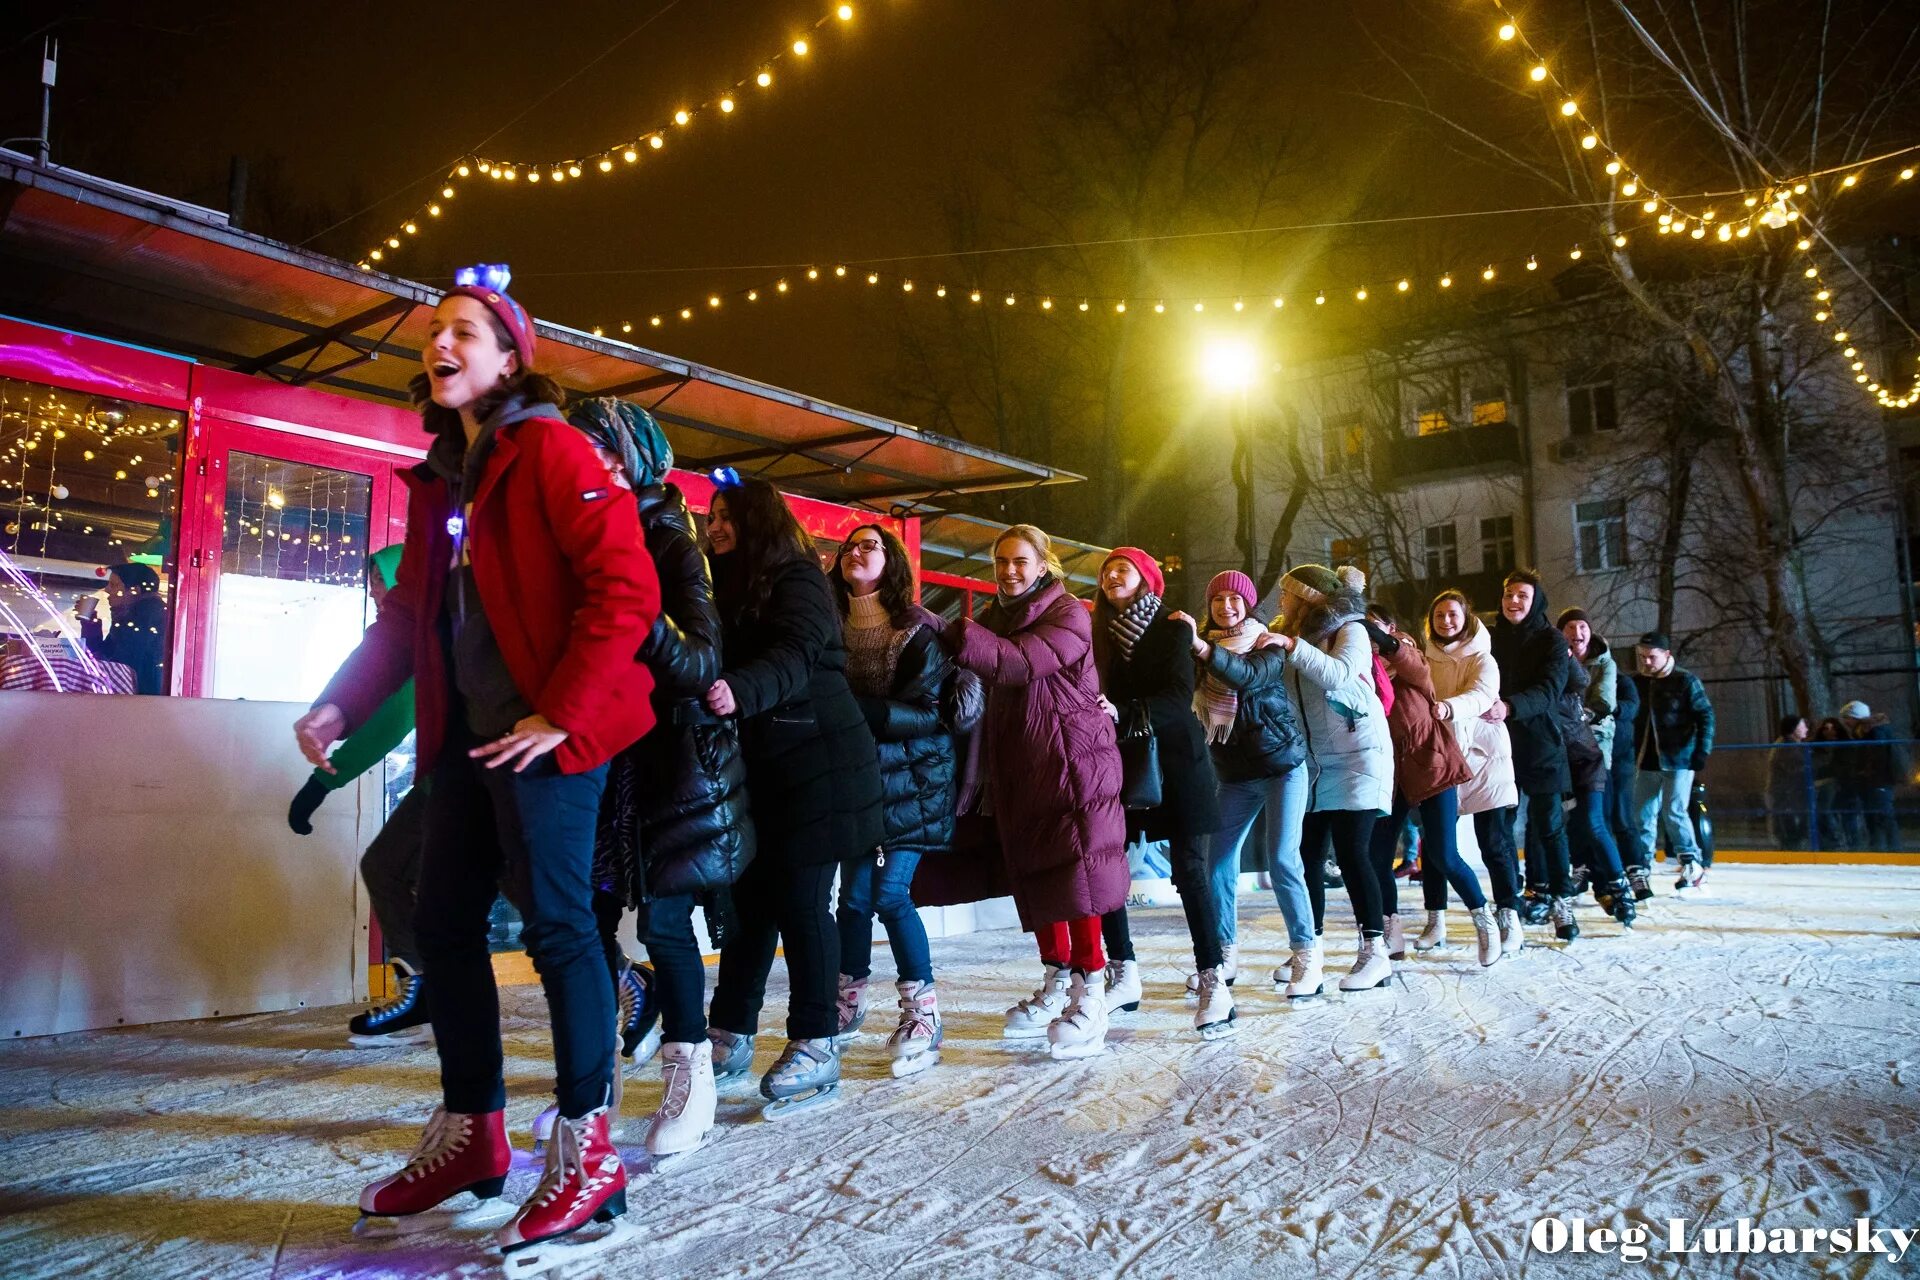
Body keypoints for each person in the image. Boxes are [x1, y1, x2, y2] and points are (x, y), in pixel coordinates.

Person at [296, 265, 660, 1265]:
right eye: (431, 332)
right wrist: (343, 700)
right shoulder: (442, 479)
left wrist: (562, 707)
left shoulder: (548, 447)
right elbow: (410, 618)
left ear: (509, 359)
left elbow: (627, 587)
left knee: (559, 927)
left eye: (463, 330)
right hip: (468, 737)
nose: (439, 343)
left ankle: (591, 1154)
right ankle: (476, 1133)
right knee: (444, 917)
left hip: (548, 733)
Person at [569, 398, 752, 1157]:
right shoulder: (579, 532)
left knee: (667, 924)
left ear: (633, 458)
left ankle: (691, 1070)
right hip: (599, 760)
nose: (587, 464)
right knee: (576, 916)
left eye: (600, 451)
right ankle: (591, 1074)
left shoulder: (672, 542)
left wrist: (629, 604)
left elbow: (701, 658)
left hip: (672, 763)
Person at [702, 476, 884, 1117]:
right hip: (768, 769)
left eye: (728, 517)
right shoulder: (726, 583)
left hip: (823, 764)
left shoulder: (798, 578)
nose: (716, 526)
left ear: (759, 522)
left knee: (805, 902)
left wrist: (738, 690)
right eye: (713, 515)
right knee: (751, 903)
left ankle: (817, 1040)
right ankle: (730, 1031)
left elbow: (798, 652)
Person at [916, 524, 1128, 1060]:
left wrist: (943, 627)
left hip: (1070, 763)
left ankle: (1092, 993)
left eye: (1020, 562)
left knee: (1075, 873)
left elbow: (1018, 663)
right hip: (1019, 765)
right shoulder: (994, 618)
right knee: (1034, 875)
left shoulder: (1070, 613)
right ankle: (1059, 980)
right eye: (1001, 562)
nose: (1009, 571)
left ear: (1043, 566)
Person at [831, 521, 973, 1077]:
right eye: (849, 545)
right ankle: (848, 999)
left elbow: (934, 714)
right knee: (852, 898)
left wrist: (860, 716)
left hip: (913, 782)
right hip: (855, 781)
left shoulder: (916, 632)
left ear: (891, 561)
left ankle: (923, 1012)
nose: (856, 552)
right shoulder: (827, 626)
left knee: (888, 894)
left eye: (871, 544)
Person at [286, 546, 431, 1047]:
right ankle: (424, 986)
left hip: (484, 784)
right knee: (388, 868)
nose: (374, 594)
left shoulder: (433, 628)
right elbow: (367, 676)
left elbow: (394, 719)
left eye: (380, 583)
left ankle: (625, 978)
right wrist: (331, 712)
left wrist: (321, 783)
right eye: (370, 584)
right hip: (443, 782)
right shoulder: (398, 636)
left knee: (537, 903)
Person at [1091, 548, 1231, 1038]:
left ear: (1147, 579)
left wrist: (1123, 711)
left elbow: (1176, 696)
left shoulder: (1172, 628)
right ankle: (1123, 971)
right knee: (1106, 866)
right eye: (1106, 571)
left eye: (1122, 569)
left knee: (1191, 872)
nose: (1111, 576)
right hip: (1124, 764)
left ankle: (1214, 979)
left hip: (1176, 762)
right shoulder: (1097, 636)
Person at [1170, 571, 1317, 999]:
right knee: (1216, 865)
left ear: (1249, 604)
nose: (1227, 606)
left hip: (1282, 767)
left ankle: (1307, 955)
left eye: (1236, 598)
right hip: (1234, 775)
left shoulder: (1266, 642)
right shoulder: (1198, 650)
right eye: (1219, 600)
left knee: (1282, 861)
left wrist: (1200, 646)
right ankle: (1224, 952)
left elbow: (1247, 677)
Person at [1265, 564, 1395, 992]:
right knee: (1307, 856)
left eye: (1287, 593)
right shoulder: (1287, 634)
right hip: (1314, 763)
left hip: (1360, 755)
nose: (1281, 600)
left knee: (1353, 852)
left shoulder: (1351, 629)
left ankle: (1375, 952)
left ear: (1306, 597)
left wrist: (1292, 646)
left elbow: (1338, 674)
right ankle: (1310, 949)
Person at [1364, 605, 1499, 966]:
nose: (1367, 633)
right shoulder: (1359, 667)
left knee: (1443, 854)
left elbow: (1414, 666)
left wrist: (1383, 639)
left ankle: (1484, 920)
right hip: (1390, 776)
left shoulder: (1407, 654)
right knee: (1377, 857)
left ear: (1390, 627)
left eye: (1374, 626)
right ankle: (1390, 929)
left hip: (1430, 764)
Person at [1423, 591, 1524, 958]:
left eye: (1452, 614)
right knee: (1436, 846)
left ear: (1466, 617)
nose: (1446, 621)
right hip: (1442, 759)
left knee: (1494, 842)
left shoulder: (1483, 657)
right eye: (1438, 615)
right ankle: (1436, 918)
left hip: (1485, 759)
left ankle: (1509, 915)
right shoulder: (1425, 659)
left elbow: (1482, 696)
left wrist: (1447, 708)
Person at [1488, 570, 1579, 943]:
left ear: (1535, 600)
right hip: (1498, 745)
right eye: (1509, 594)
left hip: (1541, 744)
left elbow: (1550, 689)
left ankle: (1561, 900)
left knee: (1549, 826)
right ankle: (1509, 902)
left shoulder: (1551, 641)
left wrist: (1511, 706)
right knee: (1500, 828)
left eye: (1522, 595)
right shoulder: (1489, 638)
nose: (1513, 601)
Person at [1559, 609, 1634, 927]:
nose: (1577, 633)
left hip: (1594, 754)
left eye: (1583, 627)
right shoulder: (1554, 664)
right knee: (1571, 822)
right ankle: (1581, 874)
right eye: (1570, 628)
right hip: (1562, 757)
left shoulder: (1603, 663)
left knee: (1595, 820)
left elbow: (1604, 701)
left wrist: (1580, 718)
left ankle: (1617, 884)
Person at [1628, 631, 1715, 891]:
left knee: (1674, 811)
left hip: (1679, 758)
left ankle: (1692, 864)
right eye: (1642, 657)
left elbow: (1706, 716)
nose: (1646, 662)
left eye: (1651, 657)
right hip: (1645, 761)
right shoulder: (1638, 683)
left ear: (1666, 655)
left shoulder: (1685, 681)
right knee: (1642, 815)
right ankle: (1642, 866)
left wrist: (1702, 751)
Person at [77, 561, 167, 694]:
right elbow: (106, 655)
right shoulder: (129, 616)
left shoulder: (144, 619)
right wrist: (91, 624)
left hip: (141, 702)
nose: (107, 590)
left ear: (134, 591)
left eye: (113, 585)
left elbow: (113, 665)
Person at [1836, 700, 1904, 851]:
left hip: (1878, 782)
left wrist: (1865, 772)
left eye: (1847, 718)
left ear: (1855, 718)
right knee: (1874, 817)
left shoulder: (1874, 732)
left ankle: (1894, 851)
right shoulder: (1864, 732)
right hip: (1871, 782)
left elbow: (1878, 757)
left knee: (1883, 816)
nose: (1845, 722)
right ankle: (1878, 849)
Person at [1607, 647, 1646, 897]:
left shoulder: (1623, 682)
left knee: (1622, 816)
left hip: (1620, 758)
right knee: (1593, 819)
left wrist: (1605, 706)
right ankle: (1594, 869)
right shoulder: (1575, 677)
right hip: (1589, 759)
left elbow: (1631, 708)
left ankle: (1636, 868)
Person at [1766, 715, 1812, 851]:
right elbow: (1797, 768)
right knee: (1788, 824)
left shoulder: (1794, 745)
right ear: (1793, 729)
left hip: (1790, 793)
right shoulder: (1787, 747)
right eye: (1802, 725)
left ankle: (1792, 847)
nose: (1806, 729)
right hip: (1786, 794)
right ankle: (1790, 849)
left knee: (1791, 823)